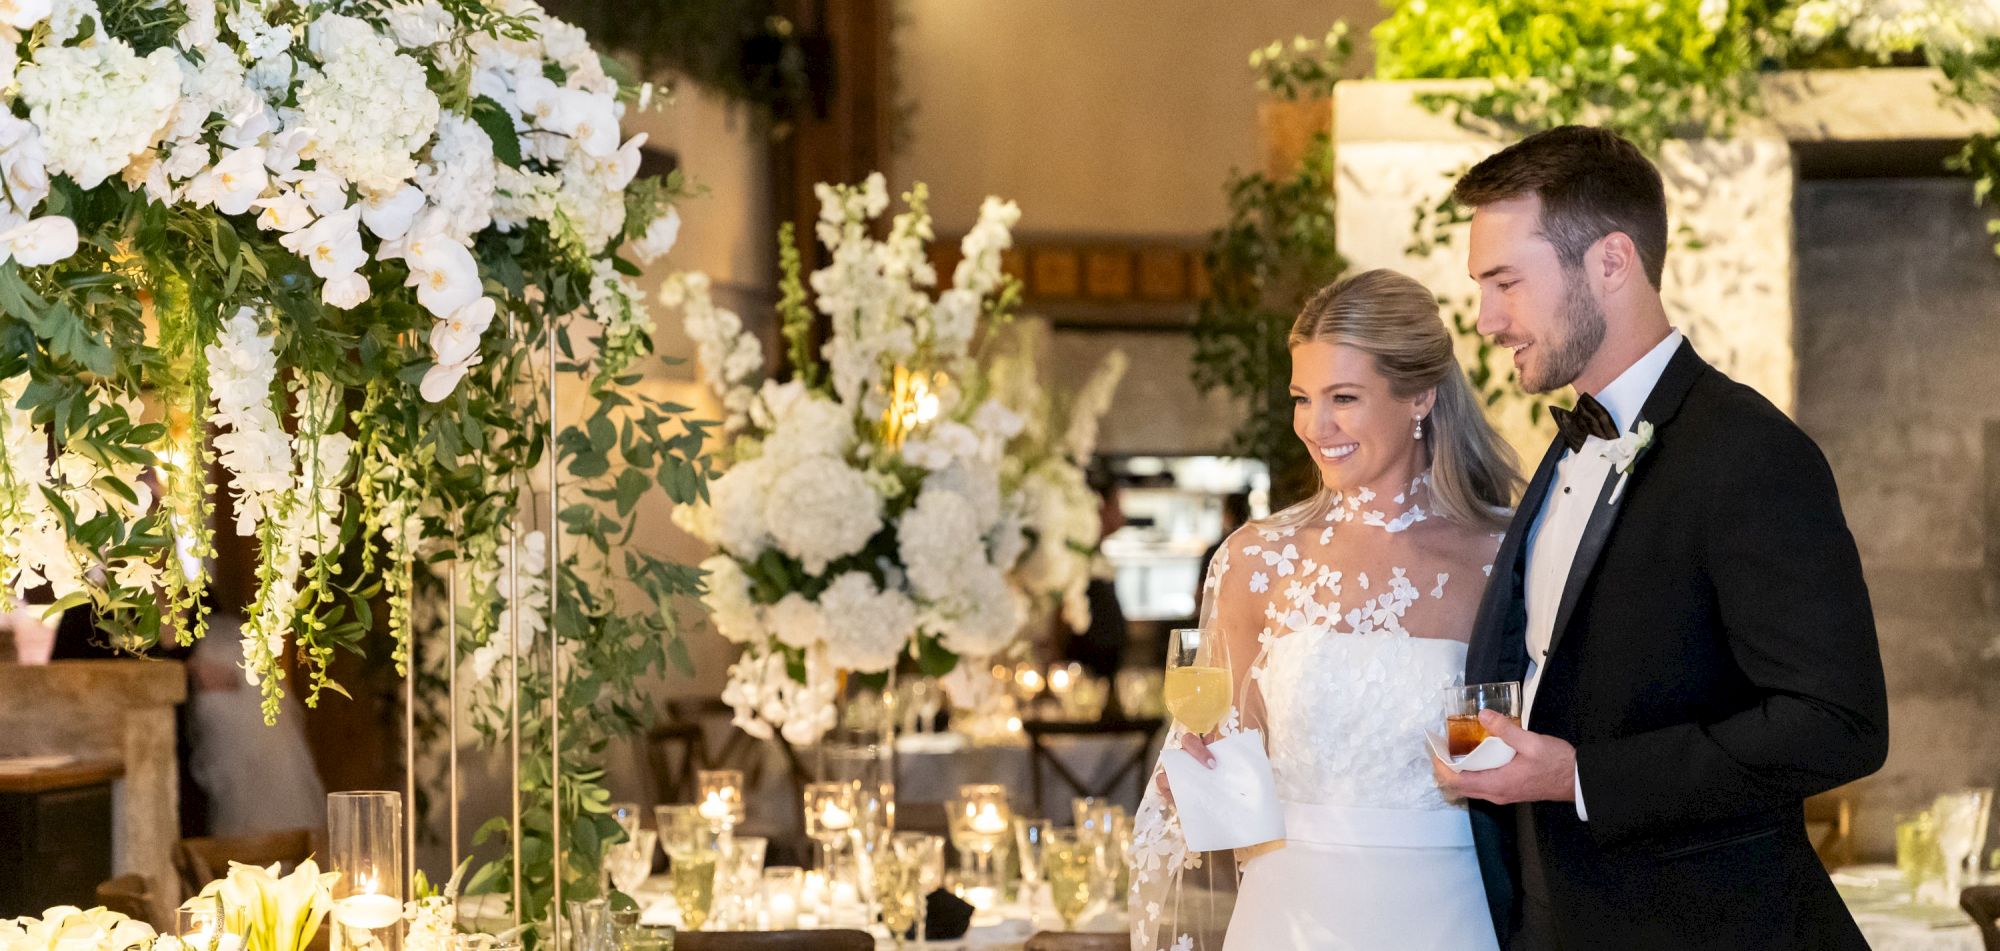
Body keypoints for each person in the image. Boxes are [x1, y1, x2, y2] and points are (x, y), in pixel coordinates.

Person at [1439, 125, 1887, 950]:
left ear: (1610, 262)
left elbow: (1837, 722)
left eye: (1505, 281)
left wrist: (1581, 776)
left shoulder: (1751, 452)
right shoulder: (1569, 442)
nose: (1486, 318)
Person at [1131, 268, 1522, 949]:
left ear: (1420, 396)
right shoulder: (1256, 560)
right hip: (1287, 914)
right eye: (1302, 397)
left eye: (1344, 397)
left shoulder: (1503, 556)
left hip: (1448, 911)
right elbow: (1235, 769)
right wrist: (1196, 780)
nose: (1317, 425)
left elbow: (1520, 749)